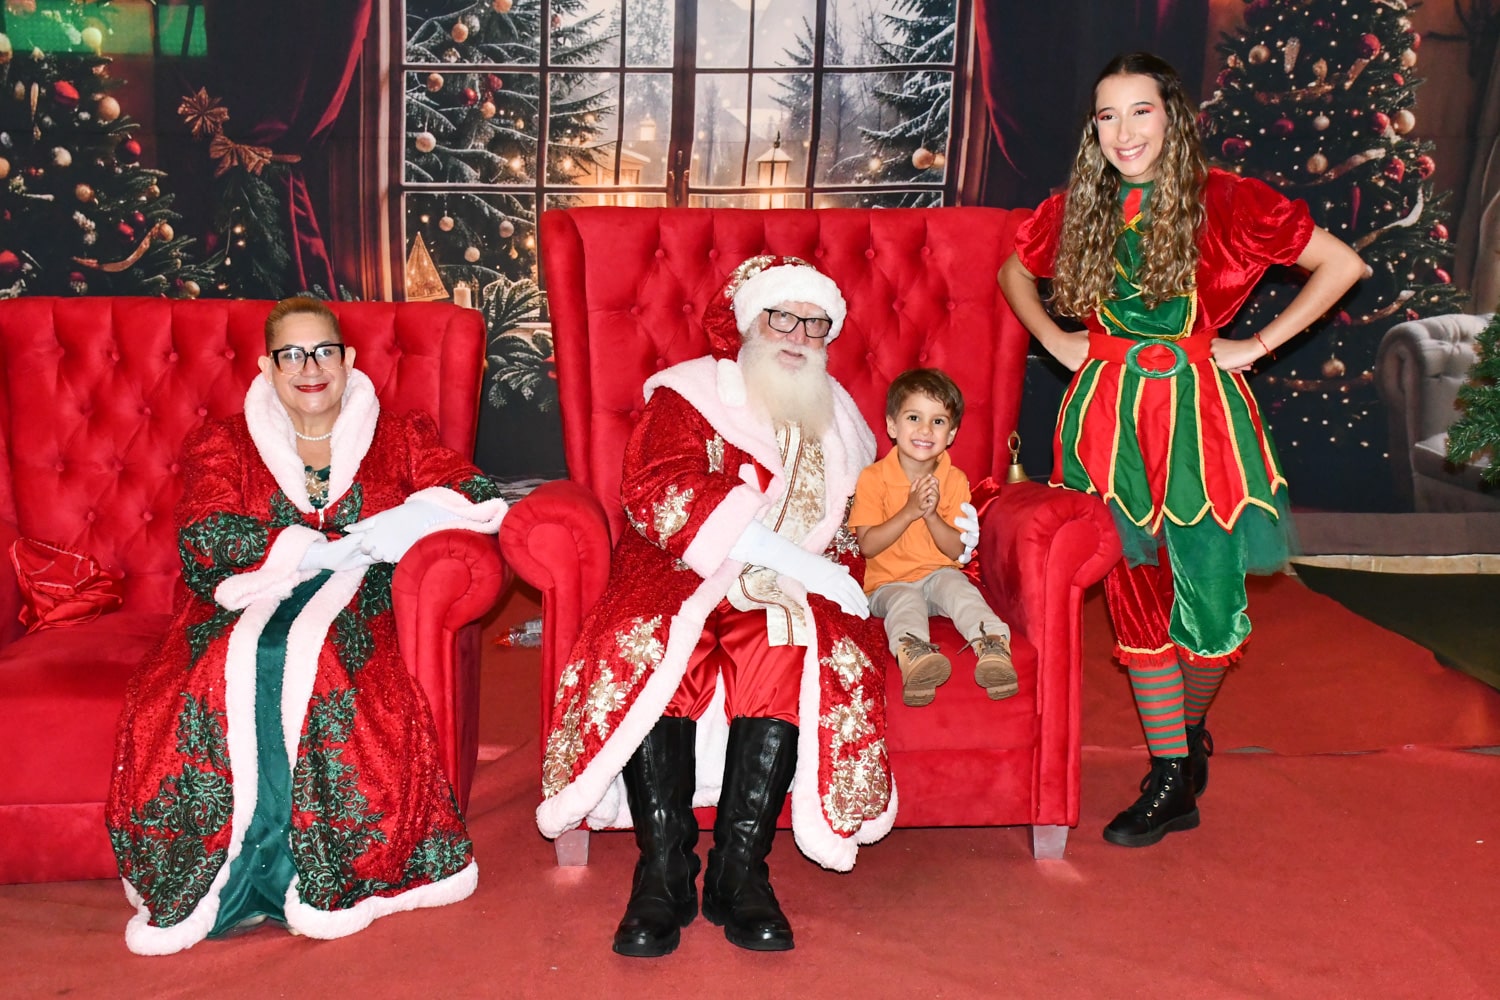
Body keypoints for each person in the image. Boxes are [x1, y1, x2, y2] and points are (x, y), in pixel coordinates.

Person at [535, 255, 976, 958]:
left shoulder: (844, 418)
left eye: (815, 324)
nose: (798, 335)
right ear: (749, 323)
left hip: (793, 585)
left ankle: (739, 872)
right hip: (681, 565)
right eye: (782, 317)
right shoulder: (689, 393)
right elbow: (657, 487)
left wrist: (946, 531)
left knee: (790, 644)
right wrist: (786, 557)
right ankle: (663, 871)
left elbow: (867, 514)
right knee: (655, 645)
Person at [998, 52, 1364, 847]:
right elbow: (1012, 272)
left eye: (1140, 111)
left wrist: (1256, 345)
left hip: (1200, 423)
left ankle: (1186, 734)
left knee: (1211, 601)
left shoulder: (1226, 200)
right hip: (1104, 423)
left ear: (1173, 117)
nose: (1123, 132)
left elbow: (1342, 264)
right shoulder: (1080, 205)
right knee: (1133, 594)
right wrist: (1057, 339)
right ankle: (1169, 774)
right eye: (1107, 115)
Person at [106, 297, 508, 955]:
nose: (309, 368)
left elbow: (475, 492)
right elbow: (205, 531)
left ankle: (315, 872)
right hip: (248, 593)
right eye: (290, 355)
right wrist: (310, 550)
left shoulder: (400, 434)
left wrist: (402, 523)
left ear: (347, 359)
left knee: (324, 666)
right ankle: (229, 880)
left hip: (360, 603)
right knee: (224, 666)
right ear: (267, 367)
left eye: (323, 351)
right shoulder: (224, 442)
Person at [848, 368, 1015, 707]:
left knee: (959, 589)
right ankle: (917, 661)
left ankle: (993, 648)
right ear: (892, 426)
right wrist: (909, 510)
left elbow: (955, 550)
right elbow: (868, 545)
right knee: (905, 602)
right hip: (887, 585)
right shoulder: (873, 478)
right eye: (914, 418)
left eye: (938, 422)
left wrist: (931, 515)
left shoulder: (954, 479)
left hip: (939, 573)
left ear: (951, 434)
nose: (925, 430)